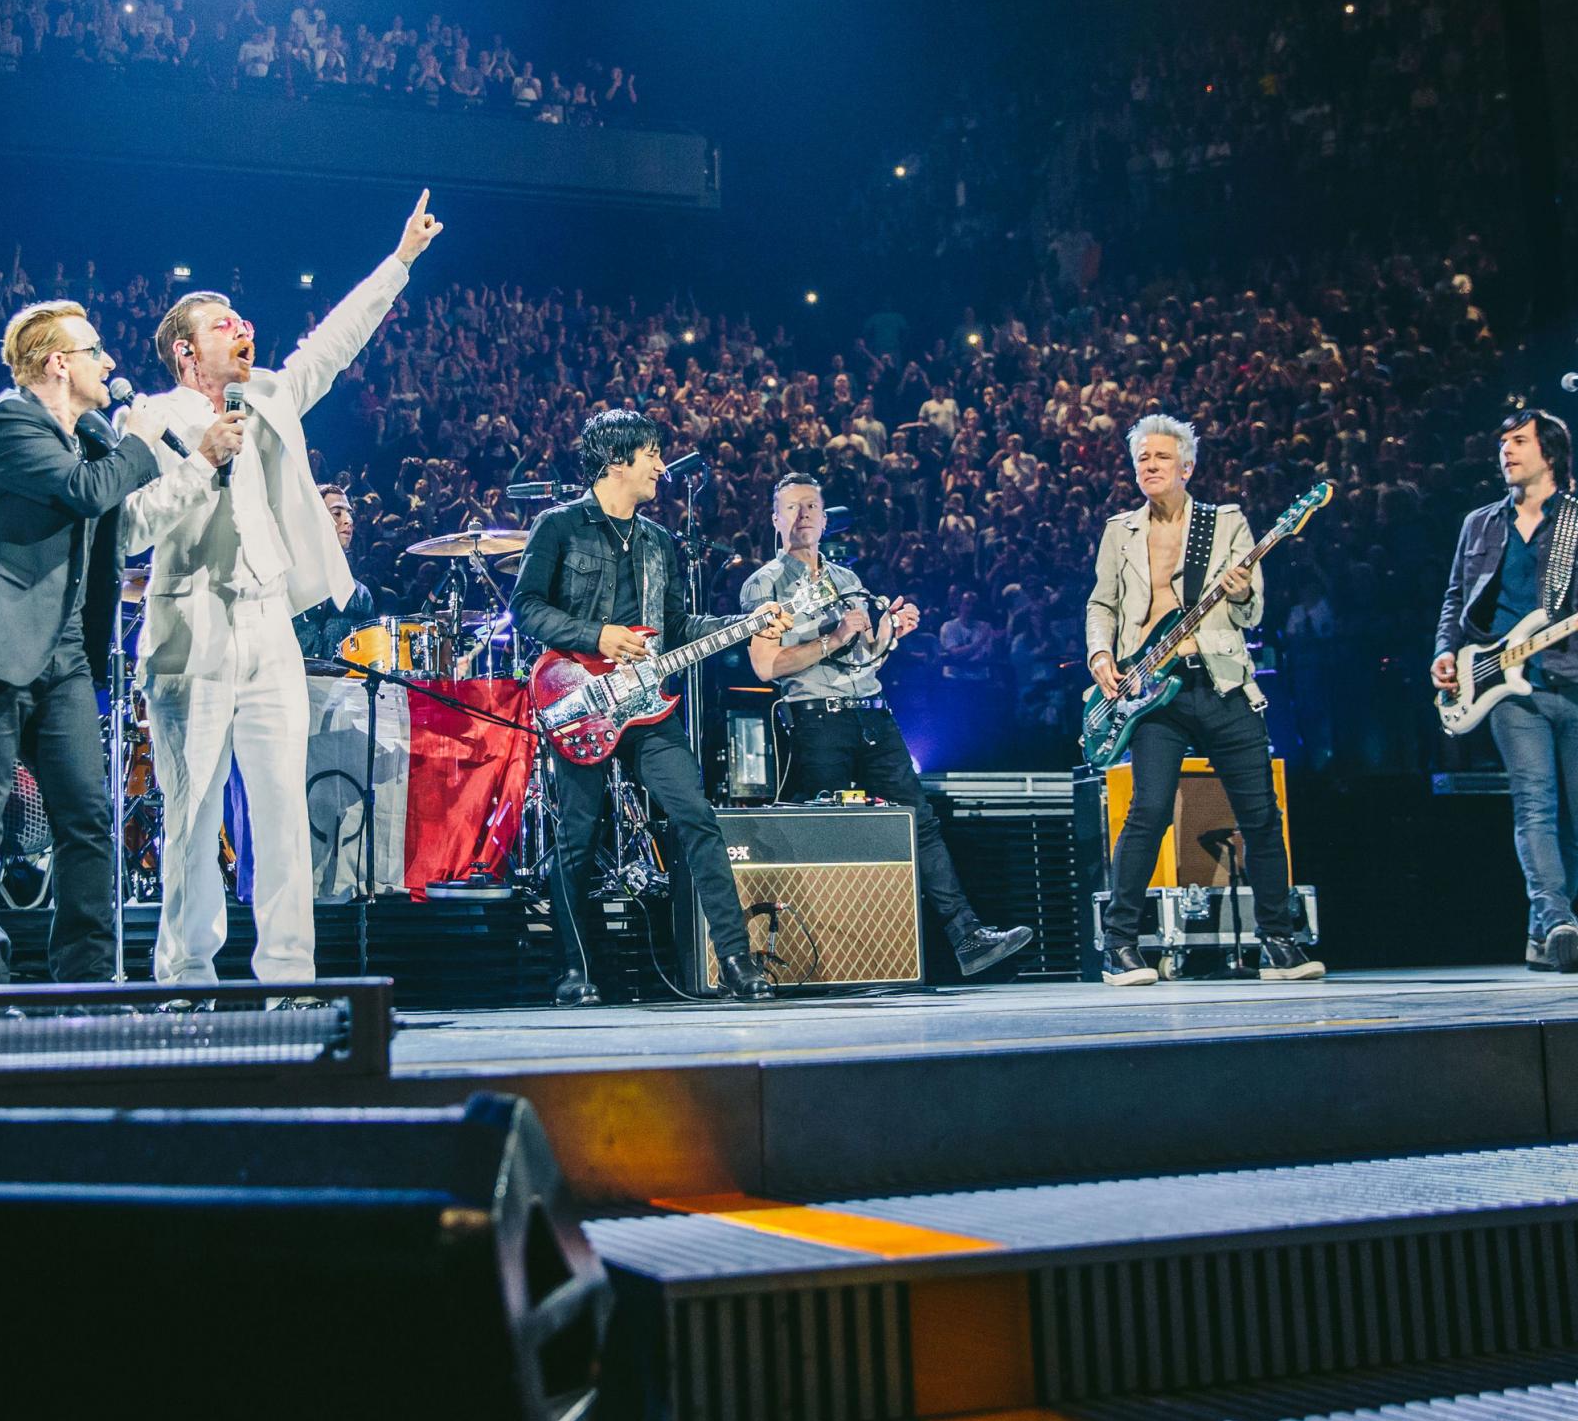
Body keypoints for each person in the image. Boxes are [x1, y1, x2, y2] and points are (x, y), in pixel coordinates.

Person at [120, 190, 443, 987]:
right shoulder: (150, 418)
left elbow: (330, 347)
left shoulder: (268, 395)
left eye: (241, 320)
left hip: (269, 626)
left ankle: (289, 980)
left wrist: (398, 263)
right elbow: (127, 531)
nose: (242, 329)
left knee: (281, 811)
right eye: (222, 325)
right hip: (189, 627)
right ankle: (187, 978)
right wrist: (201, 458)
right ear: (187, 353)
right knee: (192, 812)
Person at [0, 300, 238, 984]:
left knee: (87, 817)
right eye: (95, 350)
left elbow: (128, 511)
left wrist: (187, 459)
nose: (110, 362)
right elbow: (86, 492)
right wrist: (142, 439)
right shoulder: (11, 420)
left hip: (61, 652)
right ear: (58, 363)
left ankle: (87, 978)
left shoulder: (90, 433)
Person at [510, 410, 795, 1005]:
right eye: (652, 455)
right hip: (579, 698)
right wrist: (598, 637)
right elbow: (527, 609)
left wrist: (745, 626)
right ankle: (575, 970)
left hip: (648, 706)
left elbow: (676, 626)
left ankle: (738, 963)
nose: (662, 467)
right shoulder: (559, 527)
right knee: (578, 836)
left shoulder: (659, 541)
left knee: (696, 818)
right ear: (617, 461)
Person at [741, 472, 1035, 979]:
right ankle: (827, 960)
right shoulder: (764, 584)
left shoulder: (847, 580)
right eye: (792, 508)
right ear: (775, 519)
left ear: (824, 517)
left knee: (919, 822)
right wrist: (834, 638)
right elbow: (767, 666)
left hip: (873, 714)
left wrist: (890, 632)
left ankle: (966, 936)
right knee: (826, 837)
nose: (803, 516)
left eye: (811, 506)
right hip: (818, 723)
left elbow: (867, 658)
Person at [1086, 413, 1320, 986]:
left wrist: (1240, 595)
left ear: (1187, 467)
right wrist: (1100, 658)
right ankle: (1120, 946)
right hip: (1150, 693)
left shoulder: (1227, 524)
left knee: (1262, 815)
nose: (1149, 466)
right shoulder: (1121, 529)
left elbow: (1252, 612)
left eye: (1161, 458)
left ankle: (1280, 942)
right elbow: (1102, 604)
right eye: (1142, 458)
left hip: (1219, 680)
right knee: (1148, 812)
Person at [1432, 409, 1578, 974]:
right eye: (1504, 443)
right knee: (1534, 803)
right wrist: (1445, 650)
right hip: (1506, 685)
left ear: (1552, 453)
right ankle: (1560, 920)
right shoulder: (1480, 524)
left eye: (1519, 442)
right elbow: (1455, 596)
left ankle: (1543, 929)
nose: (1506, 452)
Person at [292, 483, 377, 663]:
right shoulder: (286, 582)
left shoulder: (360, 595)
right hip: (291, 686)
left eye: (349, 513)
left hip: (341, 689)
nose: (348, 520)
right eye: (337, 513)